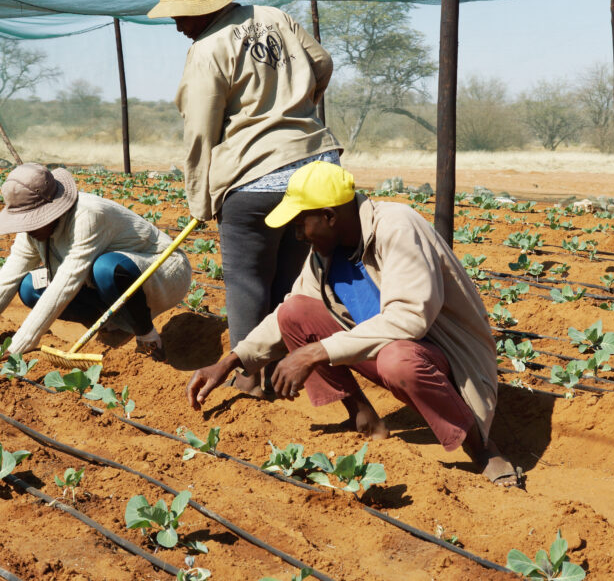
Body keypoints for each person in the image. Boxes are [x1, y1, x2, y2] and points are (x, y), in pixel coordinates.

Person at [186, 162, 519, 486]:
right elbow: (289, 312)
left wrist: (314, 353)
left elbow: (409, 320)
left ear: (329, 216)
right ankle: (366, 420)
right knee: (295, 313)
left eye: (301, 224)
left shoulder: (396, 227)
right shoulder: (326, 249)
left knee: (397, 359)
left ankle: (480, 446)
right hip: (385, 349)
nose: (299, 235)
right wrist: (232, 361)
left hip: (444, 359)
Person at [148, 0, 343, 396]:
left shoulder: (206, 48)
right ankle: (288, 371)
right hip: (316, 171)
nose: (178, 25)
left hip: (255, 178)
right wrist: (297, 108)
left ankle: (252, 380)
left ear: (204, 8)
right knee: (292, 282)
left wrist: (200, 200)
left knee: (247, 281)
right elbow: (323, 63)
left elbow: (199, 131)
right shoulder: (275, 17)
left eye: (180, 15)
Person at [0, 163, 192, 360]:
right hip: (104, 282)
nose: (27, 228)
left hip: (161, 271)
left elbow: (66, 282)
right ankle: (115, 327)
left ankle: (147, 336)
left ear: (51, 210)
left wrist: (19, 346)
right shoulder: (31, 232)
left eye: (32, 220)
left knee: (106, 269)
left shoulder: (88, 216)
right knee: (30, 288)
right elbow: (5, 280)